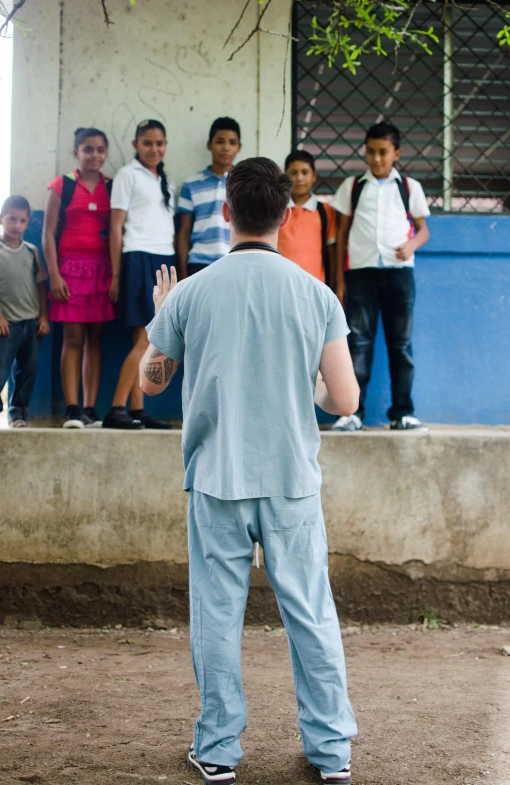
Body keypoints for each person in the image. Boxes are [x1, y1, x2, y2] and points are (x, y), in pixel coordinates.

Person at [139, 158, 359, 785]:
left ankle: (217, 750)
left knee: (216, 615)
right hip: (291, 480)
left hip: (217, 480)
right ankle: (331, 752)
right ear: (288, 216)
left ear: (226, 212)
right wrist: (305, 382)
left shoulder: (191, 293)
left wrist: (162, 322)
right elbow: (343, 401)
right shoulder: (317, 295)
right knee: (311, 614)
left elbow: (150, 383)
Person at [331, 120, 431, 432]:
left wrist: (411, 244)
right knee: (359, 343)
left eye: (383, 152)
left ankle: (402, 412)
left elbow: (424, 229)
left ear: (396, 153)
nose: (376, 159)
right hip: (360, 275)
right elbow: (342, 234)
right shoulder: (352, 187)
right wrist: (340, 281)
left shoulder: (409, 187)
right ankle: (352, 413)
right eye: (370, 152)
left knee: (400, 345)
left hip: (399, 275)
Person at [102, 119, 176, 430]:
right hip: (137, 258)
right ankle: (116, 407)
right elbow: (116, 227)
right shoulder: (126, 175)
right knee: (145, 338)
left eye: (159, 143)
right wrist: (117, 274)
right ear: (135, 145)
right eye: (147, 143)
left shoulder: (166, 180)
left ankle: (136, 409)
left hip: (163, 257)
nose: (154, 149)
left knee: (146, 338)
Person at [43, 127, 115, 428]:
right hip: (69, 271)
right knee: (72, 340)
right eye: (88, 149)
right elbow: (47, 233)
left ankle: (89, 409)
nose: (94, 155)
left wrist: (115, 277)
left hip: (101, 271)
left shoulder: (112, 186)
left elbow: (116, 231)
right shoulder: (61, 186)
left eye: (100, 150)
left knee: (95, 341)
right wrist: (54, 276)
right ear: (76, 153)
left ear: (105, 153)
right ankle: (72, 409)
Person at [0, 195, 50, 428]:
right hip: (8, 324)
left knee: (27, 371)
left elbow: (41, 285)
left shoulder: (32, 252)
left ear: (28, 222)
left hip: (32, 323)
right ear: (0, 219)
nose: (16, 225)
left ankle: (18, 414)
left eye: (22, 220)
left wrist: (44, 316)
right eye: (11, 219)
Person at [177, 117, 241, 279]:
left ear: (238, 148)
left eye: (232, 143)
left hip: (234, 261)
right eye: (220, 141)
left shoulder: (245, 184)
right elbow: (184, 232)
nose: (226, 148)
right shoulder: (191, 184)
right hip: (199, 262)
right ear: (209, 145)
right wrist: (183, 272)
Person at [278, 149, 337, 287]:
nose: (299, 178)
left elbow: (332, 252)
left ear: (314, 176)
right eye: (293, 173)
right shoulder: (276, 210)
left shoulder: (325, 211)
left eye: (305, 172)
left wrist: (333, 286)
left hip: (315, 286)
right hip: (280, 285)